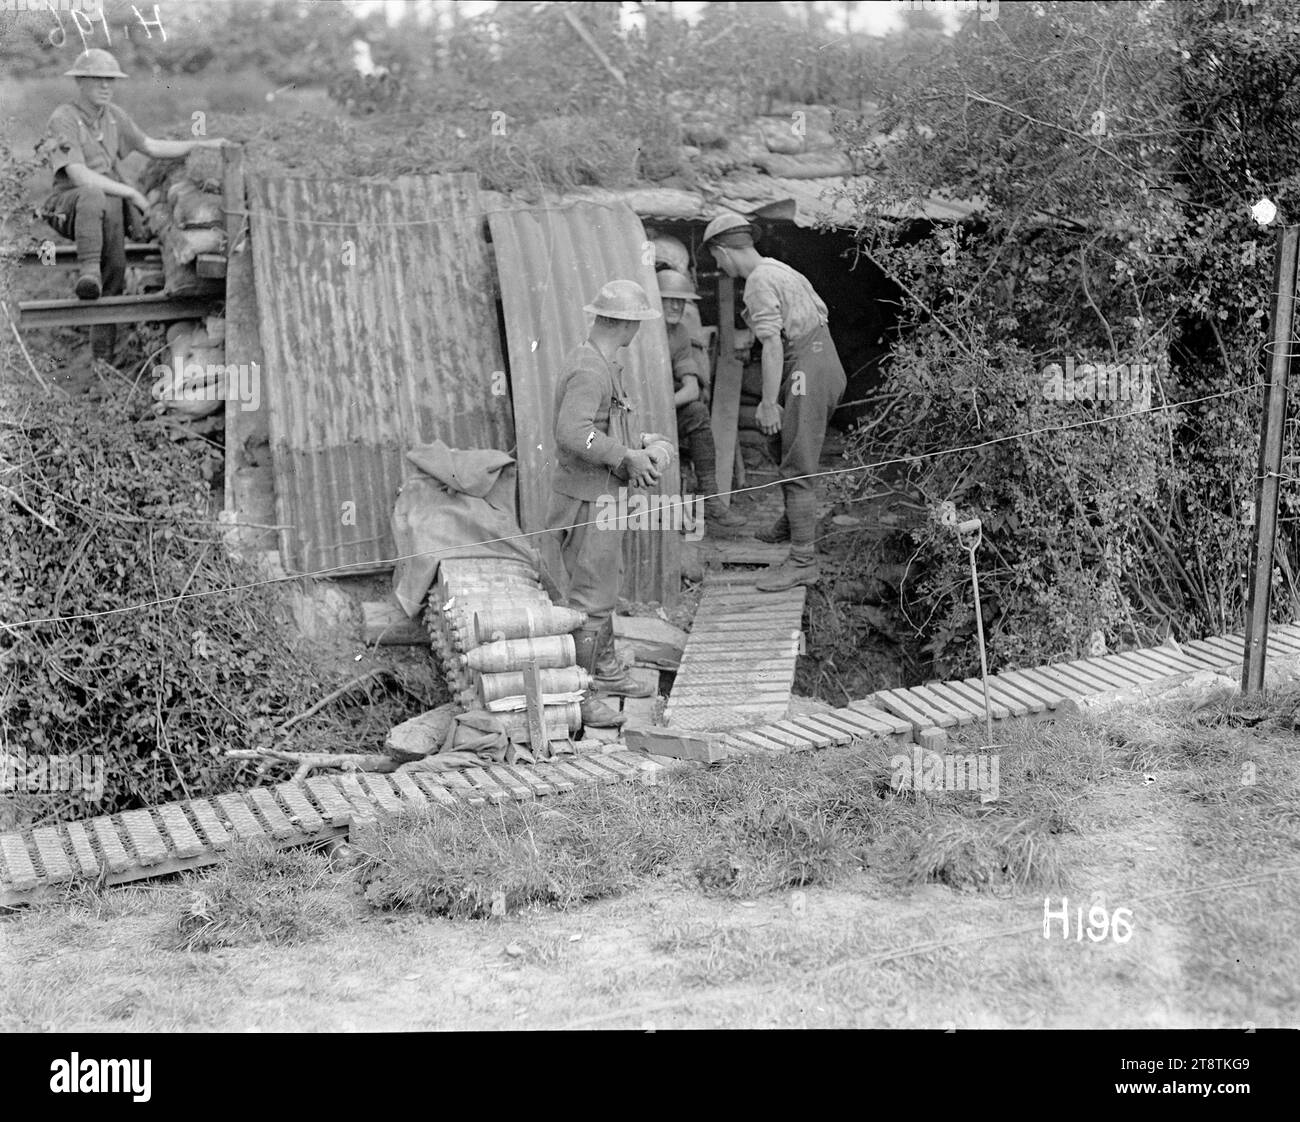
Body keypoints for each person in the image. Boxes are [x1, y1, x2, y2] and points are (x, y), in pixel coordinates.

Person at [36, 49, 228, 363]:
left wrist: (200, 143)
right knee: (95, 195)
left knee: (115, 271)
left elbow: (150, 145)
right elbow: (79, 175)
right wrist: (131, 192)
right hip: (68, 205)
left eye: (110, 80)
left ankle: (102, 359)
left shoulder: (113, 116)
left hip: (104, 205)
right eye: (98, 79)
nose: (106, 86)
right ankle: (88, 272)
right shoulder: (64, 118)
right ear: (81, 81)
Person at [701, 212, 847, 592]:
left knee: (796, 461)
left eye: (716, 258)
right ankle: (793, 521)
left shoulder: (757, 282)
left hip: (807, 370)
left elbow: (771, 344)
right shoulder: (779, 269)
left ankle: (802, 561)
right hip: (821, 363)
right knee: (781, 442)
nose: (718, 265)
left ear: (723, 251)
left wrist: (768, 401)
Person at [549, 279, 663, 729]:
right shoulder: (590, 370)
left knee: (603, 585)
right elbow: (572, 432)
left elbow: (601, 426)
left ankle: (607, 671)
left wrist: (640, 444)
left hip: (602, 497)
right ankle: (582, 692)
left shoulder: (601, 362)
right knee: (589, 599)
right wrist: (624, 456)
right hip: (587, 500)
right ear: (627, 323)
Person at [657, 269, 746, 535]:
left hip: (664, 405)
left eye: (680, 300)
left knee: (697, 412)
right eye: (669, 298)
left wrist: (663, 405)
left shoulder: (680, 333)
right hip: (633, 407)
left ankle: (710, 497)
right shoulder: (640, 330)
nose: (675, 305)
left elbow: (692, 389)